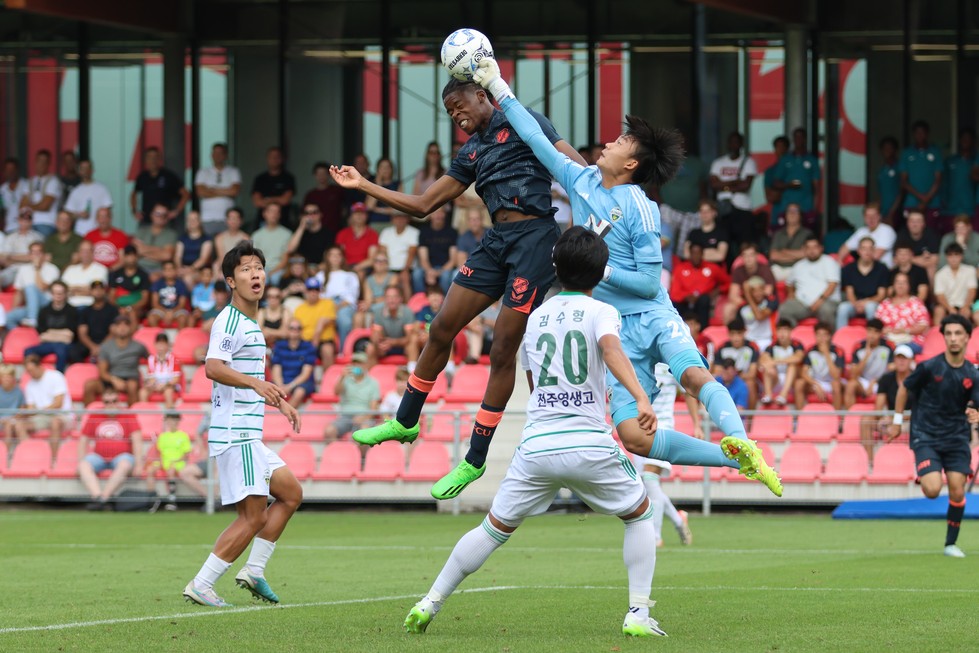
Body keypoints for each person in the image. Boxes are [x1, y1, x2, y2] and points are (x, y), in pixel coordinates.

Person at [468, 59, 781, 498]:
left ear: (631, 162)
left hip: (652, 314)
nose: (608, 143)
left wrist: (601, 266)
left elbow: (651, 285)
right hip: (612, 328)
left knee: (692, 376)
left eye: (618, 141)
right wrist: (498, 87)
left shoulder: (639, 206)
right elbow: (536, 137)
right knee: (635, 437)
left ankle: (742, 439)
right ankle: (736, 459)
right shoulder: (580, 180)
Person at [329, 73, 591, 500]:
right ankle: (406, 419)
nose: (457, 117)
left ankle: (474, 459)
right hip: (495, 242)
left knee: (503, 346)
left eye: (460, 107)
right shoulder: (471, 152)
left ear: (483, 95)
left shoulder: (526, 123)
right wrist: (363, 185)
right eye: (450, 113)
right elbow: (421, 206)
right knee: (440, 327)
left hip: (536, 240)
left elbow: (577, 169)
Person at [403, 227, 670, 638]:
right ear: (600, 274)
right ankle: (637, 613)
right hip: (587, 442)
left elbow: (533, 379)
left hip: (537, 444)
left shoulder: (533, 318)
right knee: (639, 516)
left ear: (555, 268)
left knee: (491, 531)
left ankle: (429, 601)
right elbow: (612, 350)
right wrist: (641, 397)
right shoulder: (602, 312)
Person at [183, 241, 302, 608]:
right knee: (252, 517)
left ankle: (254, 570)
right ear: (231, 280)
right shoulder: (229, 320)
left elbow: (246, 373)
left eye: (259, 267)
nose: (256, 274)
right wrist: (257, 384)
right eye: (246, 269)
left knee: (291, 494)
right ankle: (202, 583)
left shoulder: (250, 322)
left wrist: (279, 401)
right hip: (237, 434)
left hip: (249, 433)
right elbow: (212, 366)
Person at [887, 314, 979, 558]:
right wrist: (897, 422)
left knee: (958, 490)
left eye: (958, 333)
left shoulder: (973, 373)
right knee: (932, 489)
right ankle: (927, 470)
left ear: (968, 337)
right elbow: (905, 388)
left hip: (957, 437)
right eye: (948, 334)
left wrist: (975, 413)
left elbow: (976, 405)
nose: (953, 338)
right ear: (944, 337)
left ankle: (950, 544)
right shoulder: (929, 367)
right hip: (926, 435)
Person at [632, 363, 693, 548]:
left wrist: (697, 423)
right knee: (647, 486)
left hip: (663, 426)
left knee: (650, 479)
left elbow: (688, 391)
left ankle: (655, 537)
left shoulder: (671, 360)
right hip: (639, 426)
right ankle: (678, 518)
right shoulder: (637, 358)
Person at [76, 384, 141, 511]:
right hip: (99, 457)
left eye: (114, 401)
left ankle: (103, 498)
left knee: (124, 465)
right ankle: (97, 497)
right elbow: (83, 440)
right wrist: (80, 461)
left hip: (122, 456)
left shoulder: (129, 415)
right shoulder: (95, 415)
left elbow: (137, 441)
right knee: (83, 465)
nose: (111, 404)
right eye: (107, 402)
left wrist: (138, 465)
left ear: (119, 401)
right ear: (103, 402)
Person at [708, 131, 758, 248]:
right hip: (724, 210)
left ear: (741, 144)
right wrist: (735, 181)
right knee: (724, 243)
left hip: (743, 209)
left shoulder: (748, 162)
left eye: (737, 142)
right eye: (731, 142)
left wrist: (723, 185)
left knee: (744, 244)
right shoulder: (718, 162)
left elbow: (746, 186)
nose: (734, 145)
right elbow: (714, 185)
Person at [16, 353, 72, 458]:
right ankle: (31, 456)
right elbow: (31, 409)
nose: (30, 373)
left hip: (62, 416)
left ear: (39, 366)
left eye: (31, 370)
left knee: (55, 422)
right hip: (43, 417)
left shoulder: (56, 376)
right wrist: (22, 414)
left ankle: (53, 459)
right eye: (28, 371)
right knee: (19, 425)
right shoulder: (29, 385)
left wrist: (38, 411)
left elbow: (58, 403)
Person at [85, 314, 149, 405]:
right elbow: (102, 372)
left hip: (131, 379)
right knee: (89, 385)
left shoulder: (139, 346)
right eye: (119, 324)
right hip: (111, 379)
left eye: (126, 324)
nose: (122, 327)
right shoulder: (106, 347)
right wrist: (114, 380)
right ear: (113, 328)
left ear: (131, 327)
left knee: (132, 385)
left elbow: (153, 361)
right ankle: (88, 417)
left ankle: (133, 417)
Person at [779, 235, 840, 326]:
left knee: (826, 310)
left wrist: (818, 302)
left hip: (826, 301)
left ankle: (829, 339)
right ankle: (794, 337)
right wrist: (791, 295)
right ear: (803, 249)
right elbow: (789, 283)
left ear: (821, 248)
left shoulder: (829, 262)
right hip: (802, 304)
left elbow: (832, 285)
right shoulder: (798, 266)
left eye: (815, 247)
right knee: (784, 310)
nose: (812, 251)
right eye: (808, 247)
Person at [866, 344, 914, 455]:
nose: (901, 361)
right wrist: (887, 418)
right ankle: (870, 463)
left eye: (904, 358)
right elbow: (878, 407)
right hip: (893, 418)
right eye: (898, 358)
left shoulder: (917, 378)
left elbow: (921, 409)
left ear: (911, 360)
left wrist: (896, 418)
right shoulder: (886, 378)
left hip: (912, 420)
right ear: (894, 360)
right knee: (866, 420)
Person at [323, 352, 381, 442]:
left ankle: (361, 455)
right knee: (329, 431)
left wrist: (363, 418)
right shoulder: (344, 378)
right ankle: (337, 454)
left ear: (366, 365)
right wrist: (342, 377)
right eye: (355, 363)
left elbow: (373, 409)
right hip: (345, 416)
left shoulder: (373, 383)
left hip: (363, 417)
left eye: (360, 363)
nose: (357, 366)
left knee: (364, 434)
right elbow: (336, 392)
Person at [669, 242, 728, 329]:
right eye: (693, 253)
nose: (696, 256)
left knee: (704, 299)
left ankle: (704, 330)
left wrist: (718, 290)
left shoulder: (712, 268)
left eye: (698, 253)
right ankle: (678, 330)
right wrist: (686, 296)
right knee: (674, 303)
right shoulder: (680, 268)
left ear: (702, 254)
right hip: (685, 302)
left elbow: (728, 282)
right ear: (690, 254)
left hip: (702, 302)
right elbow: (674, 293)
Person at [836, 236, 890, 331]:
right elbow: (849, 292)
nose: (867, 252)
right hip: (854, 303)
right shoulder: (849, 269)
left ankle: (871, 338)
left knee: (870, 306)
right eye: (864, 248)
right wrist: (856, 304)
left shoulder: (882, 269)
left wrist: (866, 302)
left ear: (874, 251)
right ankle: (840, 338)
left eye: (870, 248)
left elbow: (881, 295)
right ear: (858, 251)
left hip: (873, 303)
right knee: (843, 308)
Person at [23, 281, 78, 373]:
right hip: (48, 344)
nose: (58, 295)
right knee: (28, 351)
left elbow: (69, 336)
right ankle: (36, 375)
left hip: (65, 346)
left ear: (65, 294)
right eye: (55, 293)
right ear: (51, 294)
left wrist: (50, 333)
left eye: (60, 293)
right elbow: (42, 335)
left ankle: (58, 378)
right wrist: (62, 334)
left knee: (61, 350)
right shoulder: (44, 311)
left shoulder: (72, 311)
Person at [773, 128, 821, 232]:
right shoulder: (785, 159)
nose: (798, 140)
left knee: (807, 236)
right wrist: (789, 185)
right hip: (786, 206)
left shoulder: (812, 160)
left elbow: (817, 188)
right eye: (796, 137)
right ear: (793, 140)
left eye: (801, 137)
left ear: (805, 139)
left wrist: (815, 208)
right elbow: (776, 183)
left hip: (806, 206)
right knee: (784, 234)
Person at [899, 120, 944, 229]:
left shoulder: (935, 152)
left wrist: (927, 198)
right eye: (917, 132)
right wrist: (921, 197)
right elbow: (904, 181)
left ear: (927, 134)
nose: (920, 135)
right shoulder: (906, 153)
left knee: (932, 231)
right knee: (911, 232)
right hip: (912, 202)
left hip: (932, 202)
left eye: (922, 132)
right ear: (913, 134)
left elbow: (938, 179)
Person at [144, 412, 194, 511]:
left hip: (177, 462)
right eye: (169, 420)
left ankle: (172, 499)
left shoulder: (183, 435)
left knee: (171, 470)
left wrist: (175, 460)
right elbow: (159, 452)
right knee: (150, 470)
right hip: (164, 461)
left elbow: (186, 454)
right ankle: (151, 497)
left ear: (178, 421)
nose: (172, 422)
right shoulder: (162, 436)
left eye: (174, 420)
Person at [6, 241, 60, 328]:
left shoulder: (52, 269)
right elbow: (19, 292)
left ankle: (32, 319)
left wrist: (37, 268)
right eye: (33, 253)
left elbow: (42, 288)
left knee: (31, 286)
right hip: (31, 307)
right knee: (8, 317)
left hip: (47, 305)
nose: (36, 255)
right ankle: (19, 335)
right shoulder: (23, 269)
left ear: (44, 254)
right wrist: (14, 310)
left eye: (39, 252)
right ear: (29, 255)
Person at [131, 147, 189, 225]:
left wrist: (176, 211)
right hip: (146, 221)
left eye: (156, 157)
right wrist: (135, 210)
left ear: (160, 159)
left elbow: (185, 194)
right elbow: (134, 194)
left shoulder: (168, 176)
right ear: (145, 160)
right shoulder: (142, 177)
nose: (153, 160)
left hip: (165, 221)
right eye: (150, 157)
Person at [875, 271, 930, 353]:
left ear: (909, 285)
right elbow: (875, 326)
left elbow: (923, 325)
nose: (900, 285)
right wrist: (883, 330)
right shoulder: (885, 304)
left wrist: (905, 330)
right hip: (888, 341)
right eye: (898, 282)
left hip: (910, 341)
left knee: (899, 350)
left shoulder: (916, 303)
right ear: (893, 285)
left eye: (904, 282)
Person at [794, 322, 845, 410]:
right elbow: (804, 373)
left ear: (829, 337)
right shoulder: (811, 350)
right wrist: (815, 384)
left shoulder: (838, 351)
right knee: (799, 383)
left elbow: (836, 376)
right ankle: (799, 418)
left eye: (824, 335)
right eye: (818, 335)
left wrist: (826, 353)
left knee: (836, 385)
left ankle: (838, 419)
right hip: (816, 382)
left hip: (831, 382)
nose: (821, 338)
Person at [194, 143, 242, 236]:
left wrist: (212, 189)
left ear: (226, 155)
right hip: (207, 218)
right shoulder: (203, 172)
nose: (218, 156)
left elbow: (234, 191)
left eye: (221, 153)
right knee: (208, 247)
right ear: (211, 155)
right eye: (215, 153)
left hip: (228, 219)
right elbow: (200, 192)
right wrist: (226, 191)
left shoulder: (233, 171)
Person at [844, 318, 893, 408]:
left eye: (876, 332)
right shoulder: (858, 347)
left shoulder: (889, 346)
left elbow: (892, 369)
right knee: (851, 385)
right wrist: (866, 356)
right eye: (869, 331)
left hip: (881, 381)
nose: (872, 335)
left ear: (881, 333)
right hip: (863, 381)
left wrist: (875, 381)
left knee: (890, 385)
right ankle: (849, 419)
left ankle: (880, 419)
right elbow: (853, 375)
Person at [319, 245, 360, 348]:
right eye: (332, 255)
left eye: (338, 255)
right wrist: (329, 306)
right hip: (326, 304)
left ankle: (344, 350)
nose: (335, 258)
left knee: (344, 321)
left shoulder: (350, 275)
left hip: (345, 305)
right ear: (327, 258)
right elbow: (318, 295)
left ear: (342, 258)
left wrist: (337, 307)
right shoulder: (320, 275)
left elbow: (352, 297)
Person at [367, 286, 420, 367]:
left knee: (413, 340)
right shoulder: (378, 312)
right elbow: (376, 334)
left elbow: (409, 337)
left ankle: (411, 371)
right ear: (384, 299)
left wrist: (392, 342)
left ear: (400, 299)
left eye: (395, 297)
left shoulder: (407, 312)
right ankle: (372, 375)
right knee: (371, 347)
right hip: (385, 346)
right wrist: (379, 343)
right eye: (388, 297)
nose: (391, 300)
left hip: (403, 346)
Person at [271, 319, 318, 408]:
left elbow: (305, 374)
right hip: (282, 380)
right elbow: (276, 368)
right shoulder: (279, 346)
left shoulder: (309, 347)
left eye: (298, 328)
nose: (295, 330)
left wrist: (289, 386)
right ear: (287, 330)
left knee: (299, 392)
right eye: (292, 328)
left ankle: (285, 417)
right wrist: (280, 386)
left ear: (301, 331)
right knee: (270, 389)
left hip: (301, 382)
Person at [715, 318, 761, 409]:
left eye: (739, 334)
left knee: (750, 384)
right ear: (728, 334)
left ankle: (749, 420)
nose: (736, 338)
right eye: (733, 334)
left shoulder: (752, 348)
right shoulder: (722, 348)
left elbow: (752, 373)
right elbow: (717, 371)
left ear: (744, 332)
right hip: (726, 380)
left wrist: (733, 375)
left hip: (744, 380)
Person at [725, 242, 775, 324]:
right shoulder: (738, 271)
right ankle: (732, 334)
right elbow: (733, 295)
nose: (748, 258)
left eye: (751, 255)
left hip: (763, 303)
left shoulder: (765, 270)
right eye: (745, 255)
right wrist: (746, 303)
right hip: (745, 302)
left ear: (757, 256)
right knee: (728, 308)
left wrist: (751, 298)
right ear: (741, 257)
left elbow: (767, 292)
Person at [413, 206, 458, 294]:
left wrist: (439, 272)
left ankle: (445, 303)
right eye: (435, 212)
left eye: (441, 212)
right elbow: (423, 258)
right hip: (428, 267)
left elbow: (453, 260)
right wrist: (429, 271)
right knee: (416, 274)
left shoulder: (452, 232)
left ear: (445, 215)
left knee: (445, 276)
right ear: (430, 215)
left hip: (445, 268)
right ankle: (421, 300)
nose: (438, 215)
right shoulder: (424, 231)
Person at [293, 277, 337, 366]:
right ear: (305, 291)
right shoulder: (299, 309)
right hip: (304, 341)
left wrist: (313, 345)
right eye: (310, 289)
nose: (313, 292)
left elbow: (322, 324)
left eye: (316, 289)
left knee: (327, 350)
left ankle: (328, 379)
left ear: (320, 291)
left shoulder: (328, 303)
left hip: (324, 341)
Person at [759, 319, 804, 406]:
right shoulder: (771, 346)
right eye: (779, 330)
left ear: (790, 331)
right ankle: (768, 395)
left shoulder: (797, 345)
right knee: (768, 368)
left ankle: (783, 395)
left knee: (792, 366)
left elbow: (798, 358)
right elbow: (763, 360)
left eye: (785, 330)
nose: (782, 333)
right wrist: (768, 364)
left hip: (791, 381)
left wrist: (775, 362)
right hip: (776, 379)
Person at [837, 203, 897, 268]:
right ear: (864, 217)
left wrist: (857, 267)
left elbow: (876, 256)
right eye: (868, 216)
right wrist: (839, 260)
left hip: (883, 270)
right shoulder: (861, 231)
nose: (871, 219)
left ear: (879, 216)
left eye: (874, 215)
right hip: (864, 269)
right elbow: (845, 247)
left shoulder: (887, 230)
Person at [250, 146, 296, 230]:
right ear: (267, 159)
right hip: (262, 221)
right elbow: (257, 202)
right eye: (272, 157)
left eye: (277, 157)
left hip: (283, 219)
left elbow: (285, 200)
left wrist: (268, 200)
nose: (274, 159)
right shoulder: (260, 179)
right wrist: (277, 200)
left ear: (282, 159)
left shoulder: (288, 178)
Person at [63, 159, 113, 236]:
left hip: (99, 232)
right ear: (79, 172)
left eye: (87, 168)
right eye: (83, 169)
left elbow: (108, 210)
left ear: (92, 170)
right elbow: (68, 213)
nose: (85, 171)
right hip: (80, 232)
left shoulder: (102, 189)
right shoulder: (75, 191)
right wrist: (79, 215)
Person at [19, 149, 62, 236]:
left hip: (46, 223)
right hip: (29, 223)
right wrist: (35, 205)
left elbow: (44, 206)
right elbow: (22, 205)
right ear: (35, 162)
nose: (41, 164)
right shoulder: (30, 181)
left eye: (44, 162)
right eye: (39, 161)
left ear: (48, 164)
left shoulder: (53, 181)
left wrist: (29, 205)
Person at [377, 212, 419, 300]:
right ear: (392, 219)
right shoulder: (386, 232)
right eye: (397, 217)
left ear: (407, 219)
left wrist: (405, 270)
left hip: (407, 268)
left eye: (403, 217)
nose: (400, 220)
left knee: (405, 278)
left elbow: (411, 253)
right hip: (389, 267)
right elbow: (382, 251)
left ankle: (409, 306)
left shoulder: (414, 232)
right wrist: (383, 268)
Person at [75, 280, 119, 364]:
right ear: (90, 292)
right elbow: (82, 333)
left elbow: (113, 332)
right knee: (74, 352)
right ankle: (81, 374)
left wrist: (101, 347)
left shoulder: (112, 310)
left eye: (100, 289)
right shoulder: (85, 311)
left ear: (104, 291)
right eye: (95, 289)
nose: (98, 292)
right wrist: (93, 347)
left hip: (108, 342)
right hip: (90, 342)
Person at [933, 242, 976, 326]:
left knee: (966, 312)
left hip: (965, 305)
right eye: (950, 255)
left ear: (961, 256)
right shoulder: (940, 274)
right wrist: (950, 308)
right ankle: (937, 336)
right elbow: (940, 296)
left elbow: (972, 291)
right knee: (938, 310)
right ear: (946, 257)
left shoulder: (970, 270)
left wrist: (966, 306)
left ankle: (966, 336)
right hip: (947, 305)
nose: (953, 258)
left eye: (956, 255)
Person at [108, 244, 151, 327]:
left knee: (132, 313)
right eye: (128, 255)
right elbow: (111, 296)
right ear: (123, 257)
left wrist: (129, 308)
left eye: (132, 255)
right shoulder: (116, 274)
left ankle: (131, 337)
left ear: (136, 257)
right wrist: (120, 308)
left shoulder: (143, 274)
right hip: (118, 307)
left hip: (136, 308)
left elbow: (145, 298)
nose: (130, 258)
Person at [768, 203, 813, 282]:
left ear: (800, 215)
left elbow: (806, 254)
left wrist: (784, 251)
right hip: (778, 269)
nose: (792, 213)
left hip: (798, 269)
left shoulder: (807, 234)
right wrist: (796, 256)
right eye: (789, 211)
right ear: (785, 215)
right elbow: (773, 256)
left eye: (795, 211)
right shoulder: (778, 234)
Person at [251, 203, 293, 285]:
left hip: (280, 269)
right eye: (271, 211)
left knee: (275, 278)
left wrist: (271, 272)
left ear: (280, 215)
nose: (274, 214)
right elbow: (254, 258)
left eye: (277, 212)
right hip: (261, 268)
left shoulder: (287, 234)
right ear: (264, 214)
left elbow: (285, 259)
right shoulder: (256, 235)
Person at [133, 203, 179, 277]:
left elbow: (167, 255)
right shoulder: (142, 231)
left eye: (164, 215)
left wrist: (144, 250)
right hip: (138, 268)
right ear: (152, 215)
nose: (161, 217)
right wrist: (160, 250)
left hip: (158, 270)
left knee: (154, 278)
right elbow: (135, 251)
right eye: (158, 214)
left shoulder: (171, 234)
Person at [0, 212, 44, 288]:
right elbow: (3, 258)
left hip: (31, 268)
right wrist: (25, 257)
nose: (25, 222)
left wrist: (11, 257)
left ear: (32, 221)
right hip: (12, 268)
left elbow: (34, 257)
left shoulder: (38, 237)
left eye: (28, 219)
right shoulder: (10, 237)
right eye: (22, 219)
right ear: (18, 220)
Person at [334, 202, 379, 274]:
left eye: (362, 213)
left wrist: (356, 268)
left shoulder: (373, 234)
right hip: (345, 266)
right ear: (351, 216)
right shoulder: (342, 233)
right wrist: (346, 269)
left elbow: (372, 259)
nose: (359, 215)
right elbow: (340, 255)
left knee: (360, 274)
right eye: (356, 213)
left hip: (364, 267)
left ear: (366, 216)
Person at [62, 240, 109, 308]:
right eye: (83, 251)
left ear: (93, 252)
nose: (85, 253)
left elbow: (97, 292)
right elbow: (63, 289)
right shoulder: (70, 269)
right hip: (69, 307)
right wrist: (85, 289)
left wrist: (74, 289)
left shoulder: (101, 269)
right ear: (78, 253)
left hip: (90, 307)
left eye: (88, 250)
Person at [303, 162, 345, 238]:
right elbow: (304, 215)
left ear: (329, 175)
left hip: (335, 230)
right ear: (315, 175)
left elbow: (344, 209)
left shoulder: (337, 191)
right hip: (315, 232)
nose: (321, 176)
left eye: (324, 173)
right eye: (319, 174)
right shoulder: (310, 195)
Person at [897, 209, 941, 281]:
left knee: (931, 268)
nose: (915, 224)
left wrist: (909, 258)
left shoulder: (931, 234)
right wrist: (920, 259)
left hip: (925, 266)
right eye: (912, 221)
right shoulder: (902, 235)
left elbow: (935, 259)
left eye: (918, 221)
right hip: (908, 266)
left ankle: (931, 292)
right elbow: (896, 259)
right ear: (907, 223)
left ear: (923, 224)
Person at [140, 332, 181, 407]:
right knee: (143, 392)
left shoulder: (174, 358)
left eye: (163, 344)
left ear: (168, 345)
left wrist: (164, 385)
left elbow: (176, 379)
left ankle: (170, 415)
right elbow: (151, 378)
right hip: (156, 385)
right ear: (155, 345)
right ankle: (145, 416)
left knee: (168, 392)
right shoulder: (151, 359)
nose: (161, 347)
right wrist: (154, 385)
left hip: (169, 385)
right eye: (159, 344)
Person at [176, 211, 214, 288]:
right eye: (190, 220)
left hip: (200, 271)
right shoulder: (182, 238)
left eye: (195, 219)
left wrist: (190, 269)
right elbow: (177, 256)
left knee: (188, 278)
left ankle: (194, 299)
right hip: (183, 269)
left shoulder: (206, 239)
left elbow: (203, 259)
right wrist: (179, 268)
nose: (192, 222)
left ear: (200, 221)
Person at [684, 199, 730, 264]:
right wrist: (712, 252)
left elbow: (720, 256)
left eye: (708, 211)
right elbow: (686, 254)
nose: (704, 214)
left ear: (714, 213)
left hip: (715, 270)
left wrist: (696, 253)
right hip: (696, 270)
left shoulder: (722, 232)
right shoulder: (693, 233)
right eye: (701, 211)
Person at [148, 260, 191, 328]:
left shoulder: (181, 284)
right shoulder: (157, 284)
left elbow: (182, 304)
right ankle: (159, 337)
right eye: (166, 269)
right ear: (162, 272)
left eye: (171, 269)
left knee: (182, 318)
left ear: (175, 271)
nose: (169, 272)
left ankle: (179, 337)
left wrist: (172, 312)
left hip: (177, 310)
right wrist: (166, 312)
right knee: (151, 318)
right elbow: (155, 303)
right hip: (161, 309)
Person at [739, 276, 778, 352]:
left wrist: (748, 296)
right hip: (749, 341)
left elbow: (759, 316)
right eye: (754, 291)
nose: (758, 294)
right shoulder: (743, 308)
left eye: (760, 290)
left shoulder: (771, 303)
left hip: (766, 341)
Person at [364, 158, 403, 228]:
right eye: (382, 167)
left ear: (392, 169)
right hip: (374, 222)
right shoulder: (372, 184)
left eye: (387, 167)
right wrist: (378, 185)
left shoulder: (397, 184)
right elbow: (369, 206)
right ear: (377, 169)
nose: (385, 169)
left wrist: (378, 209)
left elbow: (398, 208)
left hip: (392, 223)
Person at [877, 136, 903, 224]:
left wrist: (892, 212)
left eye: (890, 148)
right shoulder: (882, 169)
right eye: (885, 148)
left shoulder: (899, 167)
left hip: (896, 211)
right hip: (883, 211)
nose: (887, 150)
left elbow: (901, 192)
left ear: (895, 150)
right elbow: (881, 193)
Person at [764, 135, 790, 221]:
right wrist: (789, 188)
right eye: (778, 147)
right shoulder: (770, 171)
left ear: (787, 149)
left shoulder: (795, 168)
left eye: (783, 147)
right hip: (778, 213)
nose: (781, 150)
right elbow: (770, 197)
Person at [0, 364, 26, 450]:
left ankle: (25, 452)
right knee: (9, 424)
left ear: (13, 378)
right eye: (4, 377)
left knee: (11, 425)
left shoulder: (19, 392)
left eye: (9, 376)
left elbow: (22, 411)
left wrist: (12, 418)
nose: (6, 379)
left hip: (13, 421)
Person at [1, 157, 29, 232]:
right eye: (8, 170)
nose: (10, 172)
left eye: (13, 169)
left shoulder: (26, 184)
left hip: (25, 227)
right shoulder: (2, 190)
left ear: (18, 170)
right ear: (4, 172)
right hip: (8, 227)